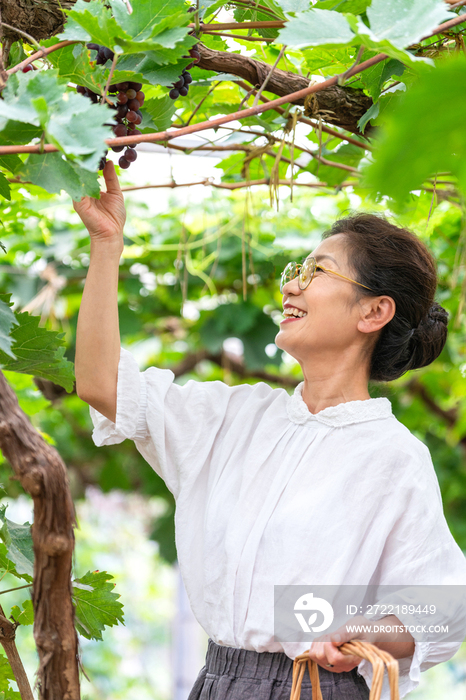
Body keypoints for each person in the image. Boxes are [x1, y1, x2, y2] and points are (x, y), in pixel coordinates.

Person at [73, 161, 466, 700]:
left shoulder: (393, 455)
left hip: (317, 687)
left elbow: (444, 608)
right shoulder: (230, 417)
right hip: (215, 681)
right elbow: (101, 385)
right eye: (295, 270)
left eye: (317, 272)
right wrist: (105, 245)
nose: (291, 286)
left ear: (374, 311)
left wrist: (362, 631)